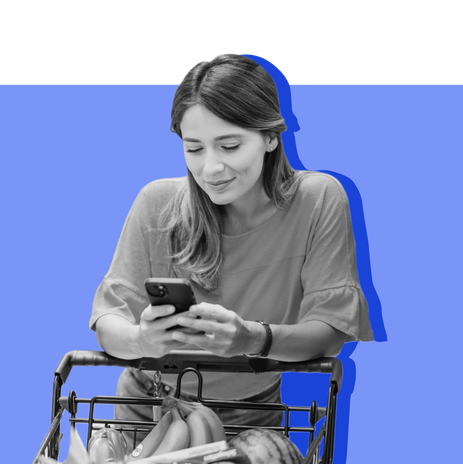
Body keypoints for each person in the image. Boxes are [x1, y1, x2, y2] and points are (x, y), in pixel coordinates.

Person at [89, 53, 374, 441]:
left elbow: (331, 330)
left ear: (270, 136)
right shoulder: (156, 203)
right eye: (194, 149)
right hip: (147, 408)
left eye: (229, 145)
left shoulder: (319, 200)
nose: (211, 169)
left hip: (252, 416)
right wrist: (142, 339)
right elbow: (109, 322)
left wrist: (253, 338)